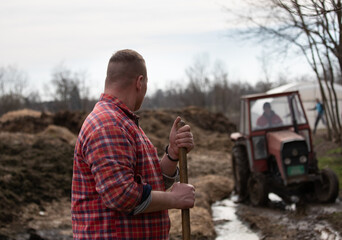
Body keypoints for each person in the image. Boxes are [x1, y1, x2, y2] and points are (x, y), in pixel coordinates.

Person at [71, 49, 195, 239]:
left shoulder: (123, 122)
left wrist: (172, 154)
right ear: (139, 82)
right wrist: (174, 199)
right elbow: (121, 195)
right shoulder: (109, 125)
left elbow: (150, 186)